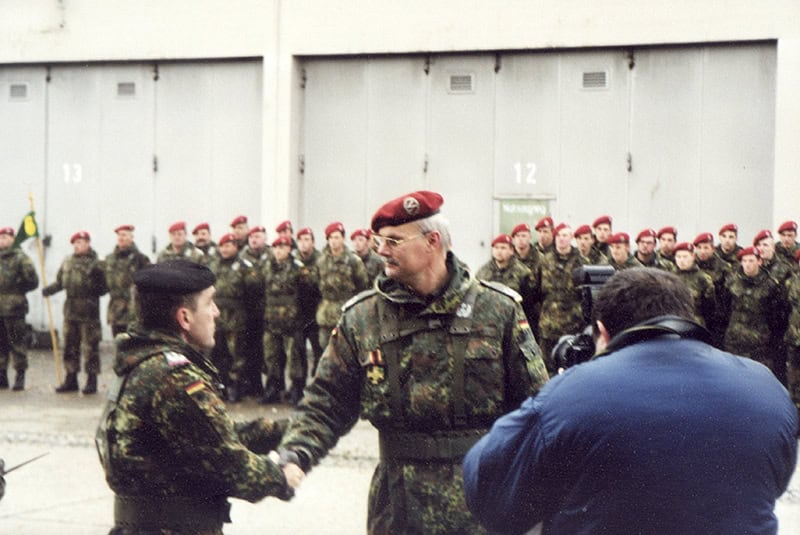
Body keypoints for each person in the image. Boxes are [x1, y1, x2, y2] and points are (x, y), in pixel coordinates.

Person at [278, 191, 549, 534]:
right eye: (379, 240)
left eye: (393, 240)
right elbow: (326, 402)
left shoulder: (497, 311)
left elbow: (537, 409)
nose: (380, 250)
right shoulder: (362, 319)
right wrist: (296, 453)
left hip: (482, 502)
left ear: (432, 241)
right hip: (398, 508)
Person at [463, 268, 798, 535]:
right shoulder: (766, 387)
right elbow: (775, 480)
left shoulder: (571, 395)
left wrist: (566, 385)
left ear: (602, 333)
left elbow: (491, 493)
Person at [94, 259, 302, 534]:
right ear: (184, 318)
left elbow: (205, 437)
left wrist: (282, 430)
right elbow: (227, 464)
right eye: (209, 303)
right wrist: (281, 477)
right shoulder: (174, 378)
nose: (216, 312)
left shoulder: (144, 362)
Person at [43, 231, 108, 394]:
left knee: (90, 347)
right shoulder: (67, 262)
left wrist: (92, 292)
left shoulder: (98, 263)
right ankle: (71, 379)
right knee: (70, 346)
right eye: (76, 242)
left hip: (89, 312)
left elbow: (105, 286)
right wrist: (49, 290)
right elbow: (60, 282)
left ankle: (91, 381)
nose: (78, 245)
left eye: (82, 242)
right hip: (70, 311)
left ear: (88, 244)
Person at [722, 246, 789, 378]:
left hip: (760, 344)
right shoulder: (731, 283)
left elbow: (777, 316)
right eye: (745, 261)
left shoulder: (770, 285)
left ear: (759, 261)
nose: (748, 265)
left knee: (759, 378)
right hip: (734, 342)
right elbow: (723, 310)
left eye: (751, 261)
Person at [532, 223, 590, 373]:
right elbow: (535, 291)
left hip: (573, 326)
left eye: (565, 235)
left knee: (571, 367)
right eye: (558, 235)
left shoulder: (582, 263)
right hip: (548, 327)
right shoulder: (544, 261)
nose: (561, 239)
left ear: (571, 238)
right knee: (545, 367)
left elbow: (587, 295)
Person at [261, 236, 307, 405]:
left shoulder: (297, 268)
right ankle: (274, 388)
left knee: (293, 356)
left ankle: (296, 388)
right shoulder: (267, 267)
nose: (278, 251)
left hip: (291, 321)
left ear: (289, 249)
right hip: (271, 320)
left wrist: (299, 315)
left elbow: (307, 293)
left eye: (282, 247)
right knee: (271, 356)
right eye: (276, 248)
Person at [209, 233, 255, 402]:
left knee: (237, 353)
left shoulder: (244, 266)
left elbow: (253, 292)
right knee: (218, 352)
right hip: (217, 315)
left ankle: (236, 386)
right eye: (222, 246)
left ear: (235, 247)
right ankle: (221, 385)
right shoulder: (213, 265)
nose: (225, 249)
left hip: (236, 316)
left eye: (228, 246)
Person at [314, 221, 369, 351]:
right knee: (324, 349)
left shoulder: (353, 260)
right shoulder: (321, 261)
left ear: (343, 239)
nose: (333, 241)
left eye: (337, 237)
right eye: (331, 238)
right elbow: (316, 283)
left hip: (345, 312)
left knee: (345, 351)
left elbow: (362, 285)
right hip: (326, 314)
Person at [0, 227, 39, 391]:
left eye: (6, 237)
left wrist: (18, 291)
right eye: (1, 237)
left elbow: (33, 281)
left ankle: (20, 376)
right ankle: (2, 375)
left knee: (17, 343)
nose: (3, 240)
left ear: (13, 239)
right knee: (1, 343)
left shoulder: (21, 258)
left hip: (15, 307)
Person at [475, 233, 535, 327]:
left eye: (503, 248)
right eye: (496, 248)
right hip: (489, 323)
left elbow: (529, 304)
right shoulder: (483, 272)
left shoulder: (523, 272)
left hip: (514, 323)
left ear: (511, 250)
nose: (499, 251)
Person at [104, 225, 151, 338]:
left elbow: (149, 284)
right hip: (116, 311)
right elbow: (103, 283)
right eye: (119, 235)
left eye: (124, 235)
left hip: (134, 310)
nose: (121, 238)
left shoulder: (141, 259)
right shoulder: (109, 259)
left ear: (131, 237)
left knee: (136, 346)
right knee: (119, 344)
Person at [292, 227, 324, 376]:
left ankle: (318, 382)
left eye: (307, 240)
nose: (304, 244)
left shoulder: (321, 259)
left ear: (313, 242)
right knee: (298, 351)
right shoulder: (292, 260)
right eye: (301, 240)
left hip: (315, 312)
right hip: (298, 312)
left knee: (318, 350)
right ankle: (298, 386)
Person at [673, 241, 716, 328]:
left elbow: (710, 307)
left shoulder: (703, 278)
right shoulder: (671, 276)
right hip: (674, 322)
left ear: (693, 257)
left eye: (685, 257)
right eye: (678, 257)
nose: (681, 260)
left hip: (695, 324)